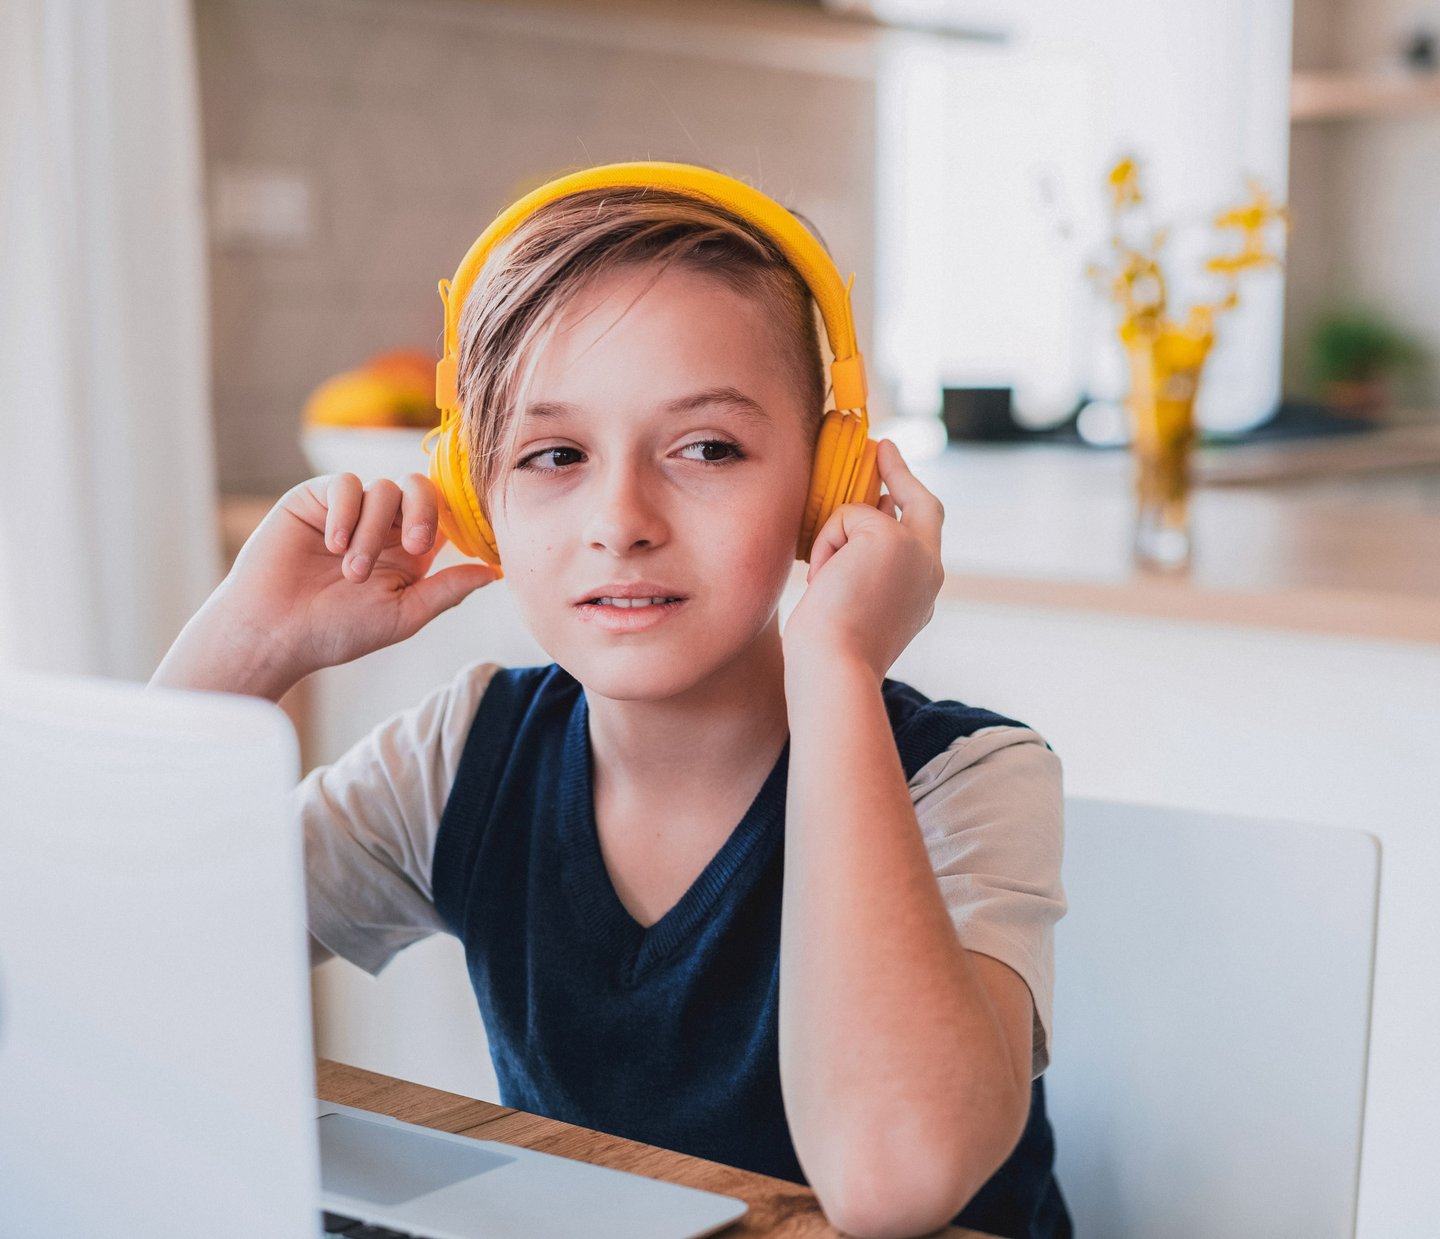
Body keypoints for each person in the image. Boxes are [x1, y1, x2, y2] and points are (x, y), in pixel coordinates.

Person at [152, 166, 1070, 1239]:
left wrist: (836, 665)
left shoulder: (967, 780)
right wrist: (245, 647)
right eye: (555, 455)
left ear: (827, 483)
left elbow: (891, 1181)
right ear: (478, 496)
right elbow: (104, 952)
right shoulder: (463, 755)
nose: (621, 519)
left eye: (707, 447)